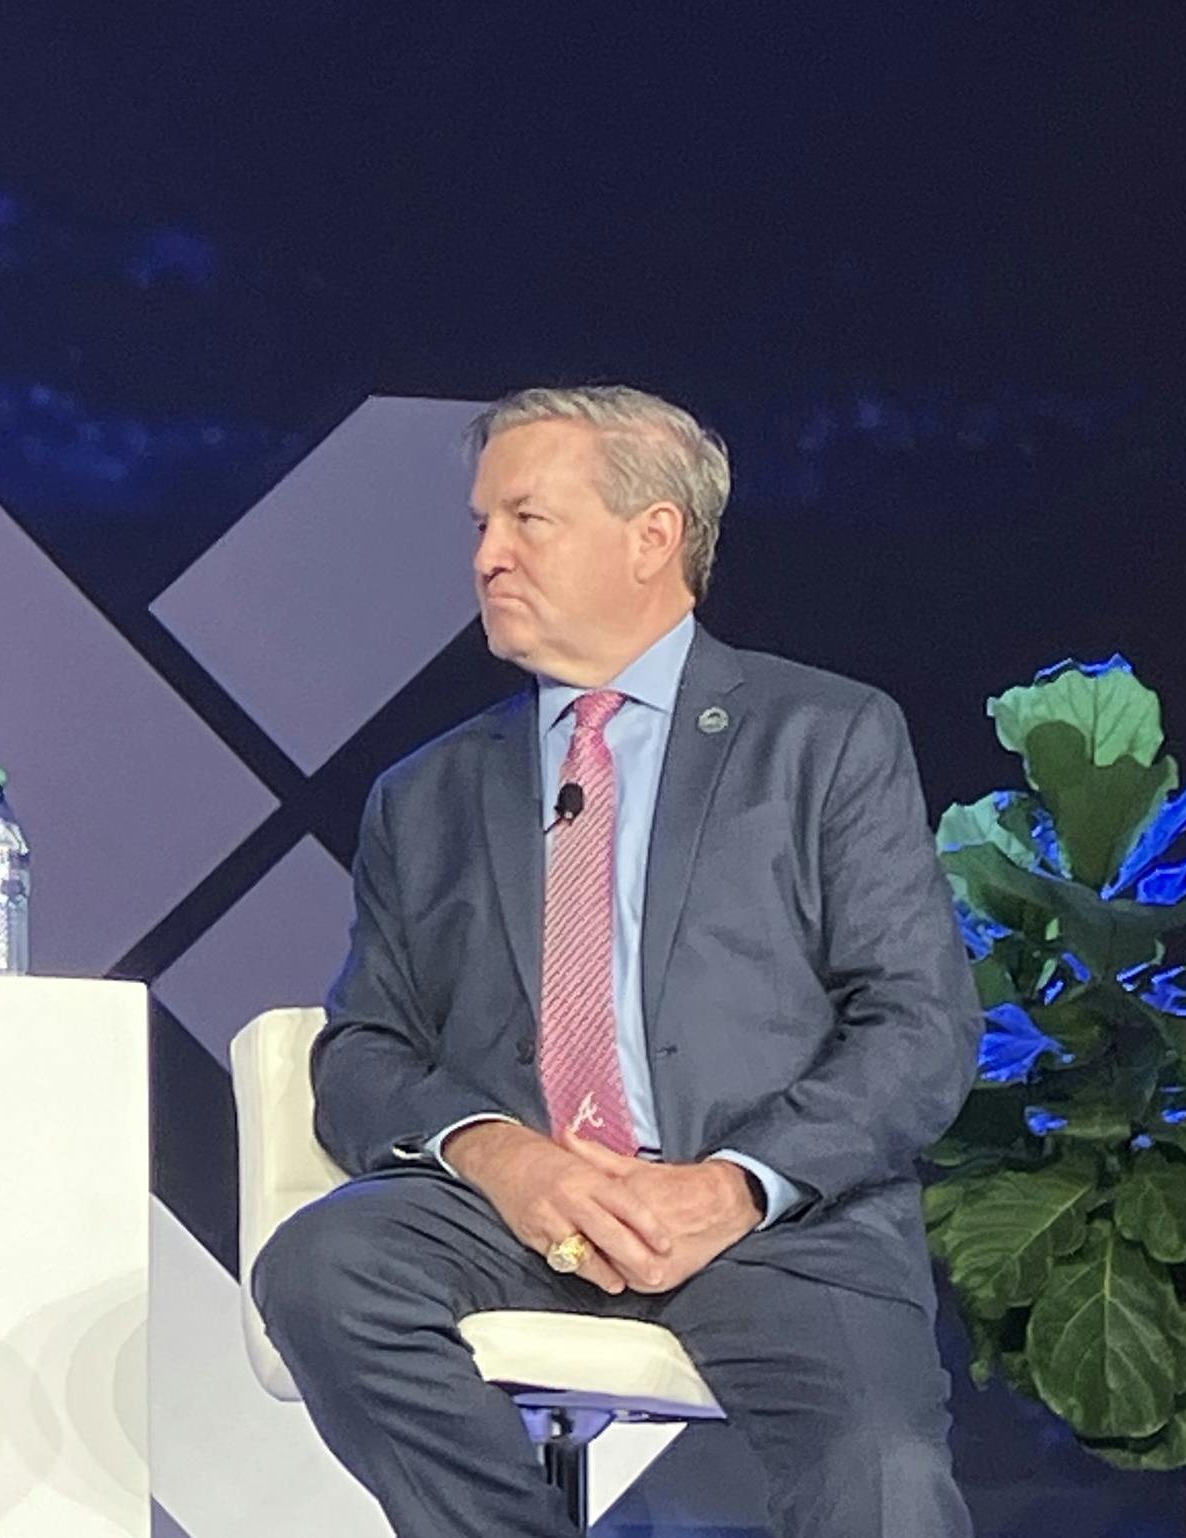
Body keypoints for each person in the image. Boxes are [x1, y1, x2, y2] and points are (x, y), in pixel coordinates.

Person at [252, 385, 979, 1537]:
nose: (489, 555)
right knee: (322, 1268)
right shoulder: (426, 792)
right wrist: (505, 1159)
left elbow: (918, 1027)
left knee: (879, 1470)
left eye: (528, 520)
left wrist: (732, 1182)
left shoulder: (825, 736)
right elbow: (364, 1052)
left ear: (655, 537)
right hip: (527, 1215)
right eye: (481, 525)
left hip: (771, 1218)